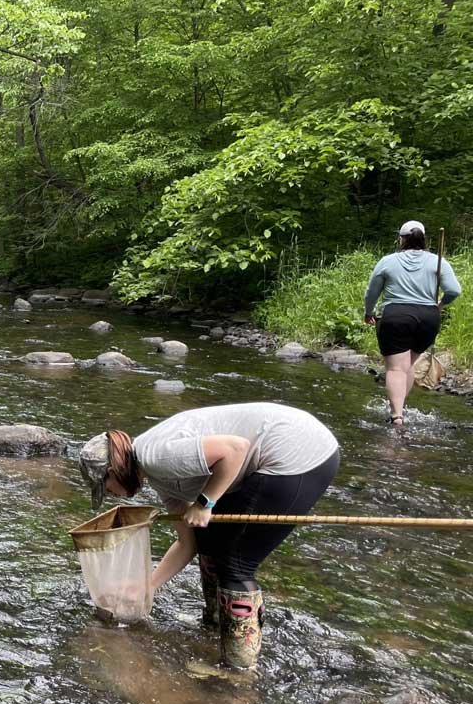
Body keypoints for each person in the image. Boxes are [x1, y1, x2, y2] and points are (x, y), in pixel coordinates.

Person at [78, 403, 340, 670]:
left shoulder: (155, 456)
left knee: (235, 563)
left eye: (105, 488)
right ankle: (216, 626)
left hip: (298, 453)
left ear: (113, 470)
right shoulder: (158, 475)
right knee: (210, 542)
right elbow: (187, 543)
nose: (111, 494)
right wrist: (146, 587)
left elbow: (235, 449)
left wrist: (204, 503)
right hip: (285, 451)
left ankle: (239, 669)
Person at [364, 219, 461, 426]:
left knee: (396, 369)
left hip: (396, 315)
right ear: (423, 239)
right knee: (407, 366)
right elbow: (454, 290)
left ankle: (396, 416)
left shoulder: (387, 261)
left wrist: (369, 311)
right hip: (428, 318)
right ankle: (400, 407)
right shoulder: (438, 261)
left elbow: (372, 291)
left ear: (401, 239)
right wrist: (441, 304)